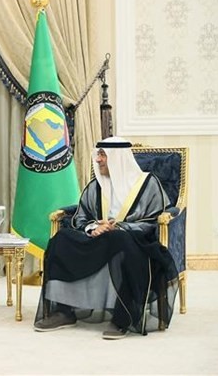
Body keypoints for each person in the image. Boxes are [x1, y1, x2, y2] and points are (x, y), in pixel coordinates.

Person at [33, 136, 179, 340]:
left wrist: (119, 227)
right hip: (99, 240)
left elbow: (154, 220)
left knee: (120, 239)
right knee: (61, 239)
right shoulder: (96, 186)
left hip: (134, 241)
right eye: (98, 154)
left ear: (118, 158)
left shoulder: (147, 185)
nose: (98, 159)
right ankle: (64, 311)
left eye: (103, 155)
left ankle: (123, 318)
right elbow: (81, 217)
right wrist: (94, 227)